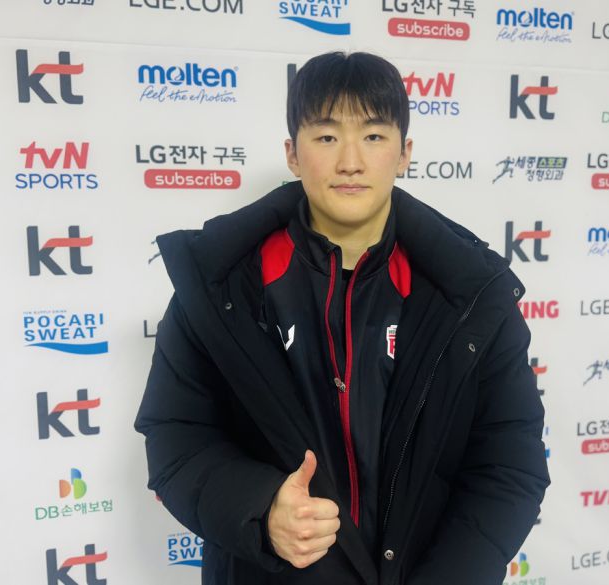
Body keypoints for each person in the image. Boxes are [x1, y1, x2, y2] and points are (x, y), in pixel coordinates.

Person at [135, 51, 550, 585]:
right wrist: (261, 510)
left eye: (374, 136)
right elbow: (176, 438)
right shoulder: (221, 285)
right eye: (327, 136)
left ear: (404, 153)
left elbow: (509, 465)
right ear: (292, 153)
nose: (350, 161)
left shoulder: (471, 293)